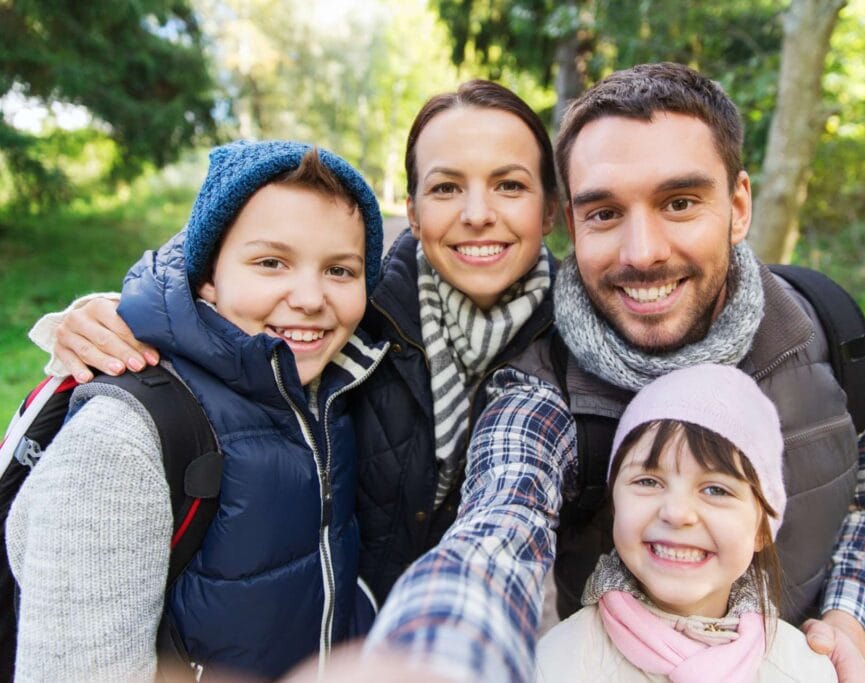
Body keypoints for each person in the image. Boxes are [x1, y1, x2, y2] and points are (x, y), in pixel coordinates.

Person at [364, 62, 865, 683]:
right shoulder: (541, 387)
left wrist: (850, 619)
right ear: (572, 225)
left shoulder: (827, 334)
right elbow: (496, 530)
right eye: (604, 213)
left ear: (737, 204)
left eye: (679, 203)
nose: (642, 252)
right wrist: (435, 657)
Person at [24, 80, 559, 609]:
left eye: (509, 185)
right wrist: (105, 314)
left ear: (551, 209)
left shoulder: (585, 332)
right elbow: (231, 278)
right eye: (445, 187)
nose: (477, 214)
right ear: (413, 211)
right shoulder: (364, 313)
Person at [6, 140, 389, 680]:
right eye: (271, 262)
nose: (309, 297)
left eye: (340, 271)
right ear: (208, 275)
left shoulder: (330, 392)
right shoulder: (122, 440)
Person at [535, 364, 837, 682]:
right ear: (615, 503)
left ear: (762, 528)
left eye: (716, 490)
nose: (677, 513)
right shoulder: (555, 665)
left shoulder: (804, 670)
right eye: (648, 481)